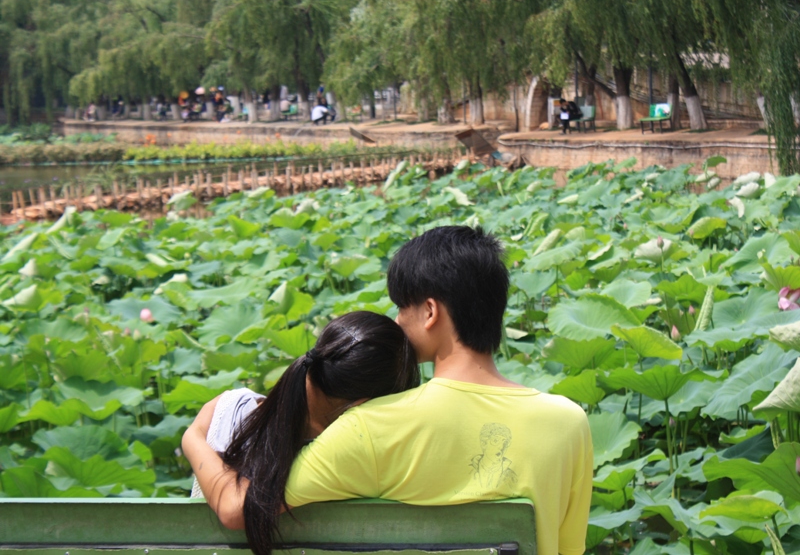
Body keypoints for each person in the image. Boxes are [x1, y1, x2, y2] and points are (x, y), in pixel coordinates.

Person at [185, 226, 592, 555]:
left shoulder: (371, 426)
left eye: (402, 308)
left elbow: (239, 506)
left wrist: (194, 436)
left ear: (430, 312)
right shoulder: (569, 424)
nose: (396, 322)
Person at [184, 311, 419, 555]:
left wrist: (192, 436)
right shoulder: (352, 454)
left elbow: (234, 508)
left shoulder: (231, 408)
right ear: (362, 405)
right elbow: (235, 509)